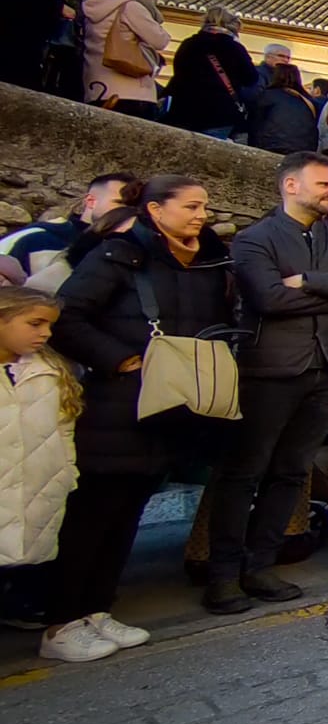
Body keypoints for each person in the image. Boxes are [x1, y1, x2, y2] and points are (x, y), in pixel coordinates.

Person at [45, 176, 239, 660]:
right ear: (156, 209)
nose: (202, 215)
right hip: (119, 402)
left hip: (173, 400)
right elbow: (65, 317)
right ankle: (62, 622)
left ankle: (97, 609)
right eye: (192, 206)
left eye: (205, 206)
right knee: (94, 512)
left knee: (129, 509)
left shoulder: (206, 262)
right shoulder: (118, 255)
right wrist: (119, 359)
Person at [215, 154, 328, 611]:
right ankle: (224, 573)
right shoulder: (254, 239)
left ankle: (261, 565)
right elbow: (266, 298)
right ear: (290, 185)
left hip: (327, 369)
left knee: (291, 471)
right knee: (244, 472)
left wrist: (306, 281)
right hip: (270, 369)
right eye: (324, 184)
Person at [0, 286, 81, 580]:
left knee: (18, 564)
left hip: (36, 488)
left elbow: (64, 427)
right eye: (35, 324)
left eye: (49, 325)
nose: (46, 333)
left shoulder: (51, 371)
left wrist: (66, 472)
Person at [0, 174, 140, 284]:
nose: (128, 212)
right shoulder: (34, 237)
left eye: (135, 206)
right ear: (90, 201)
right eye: (121, 203)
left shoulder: (139, 248)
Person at [80, 0, 171, 119]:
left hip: (96, 87)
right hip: (132, 91)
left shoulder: (90, 5)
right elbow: (160, 40)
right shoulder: (130, 6)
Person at [164, 6, 257, 138]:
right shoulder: (235, 48)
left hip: (183, 109)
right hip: (219, 113)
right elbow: (250, 78)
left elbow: (178, 71)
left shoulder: (189, 44)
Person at [244, 61, 320, 155]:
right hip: (303, 150)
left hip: (271, 146)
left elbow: (254, 123)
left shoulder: (267, 96)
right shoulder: (309, 101)